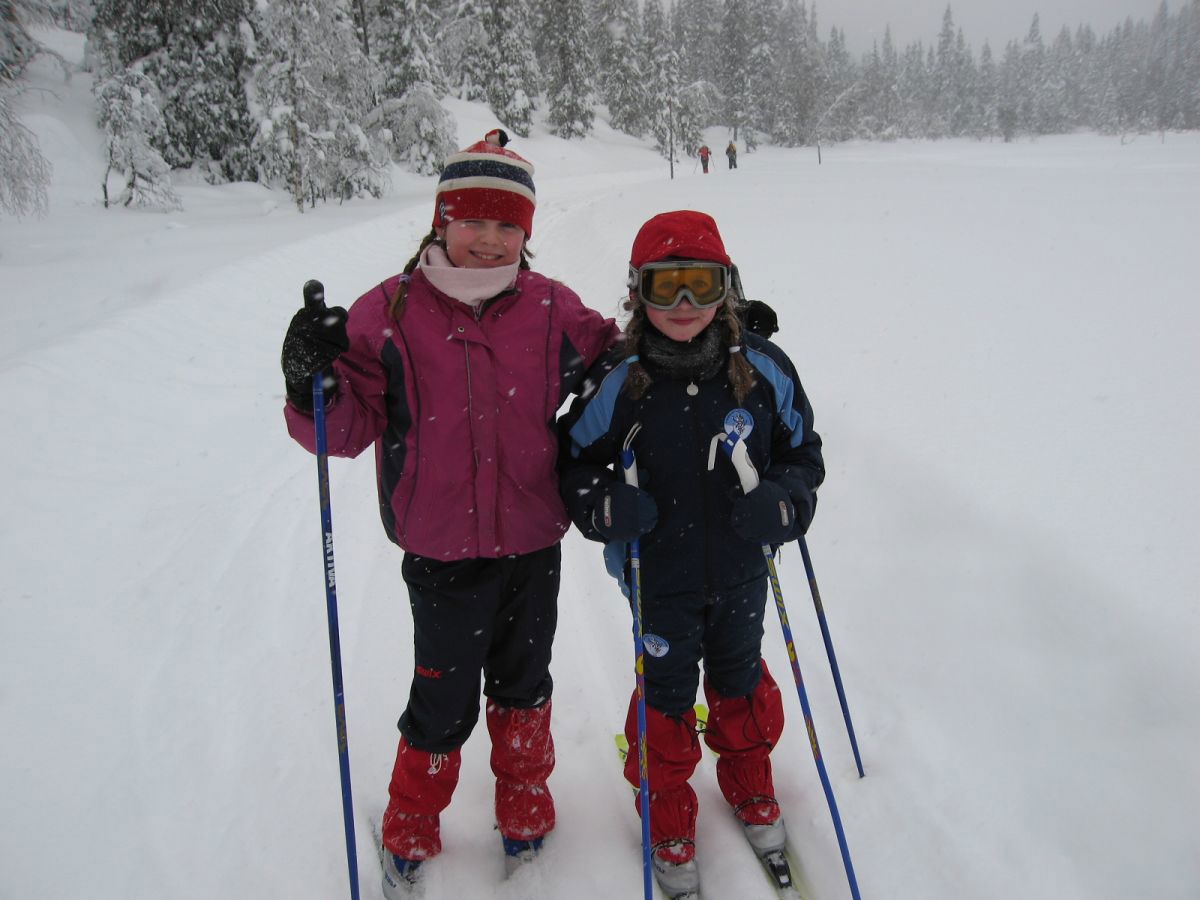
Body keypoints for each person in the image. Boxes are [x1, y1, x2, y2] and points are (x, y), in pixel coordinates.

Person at [280, 135, 620, 897]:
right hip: (440, 552)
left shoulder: (551, 306)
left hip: (533, 542)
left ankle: (526, 808)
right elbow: (350, 423)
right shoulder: (388, 311)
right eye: (473, 220)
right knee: (441, 696)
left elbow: (615, 365)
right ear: (440, 220)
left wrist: (703, 339)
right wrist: (312, 388)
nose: (490, 238)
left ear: (527, 232)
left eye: (508, 225)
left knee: (526, 684)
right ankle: (411, 821)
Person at [558, 210, 824, 898]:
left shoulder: (762, 369)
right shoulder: (620, 377)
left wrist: (787, 501)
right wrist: (605, 505)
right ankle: (668, 810)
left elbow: (803, 452)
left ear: (726, 289)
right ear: (636, 293)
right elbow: (573, 461)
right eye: (664, 285)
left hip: (742, 568)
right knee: (670, 695)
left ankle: (747, 780)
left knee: (739, 678)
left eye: (699, 286)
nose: (683, 305)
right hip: (657, 576)